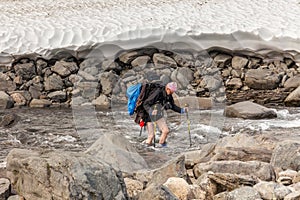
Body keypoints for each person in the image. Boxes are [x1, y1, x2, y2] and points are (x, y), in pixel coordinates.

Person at [140, 82, 188, 148]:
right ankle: (146, 151)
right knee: (151, 136)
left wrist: (182, 110)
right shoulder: (157, 93)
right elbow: (145, 103)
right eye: (172, 92)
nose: (172, 93)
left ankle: (161, 147)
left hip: (158, 114)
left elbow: (172, 106)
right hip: (148, 115)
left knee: (166, 131)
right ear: (167, 89)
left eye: (173, 92)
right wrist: (151, 111)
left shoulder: (169, 95)